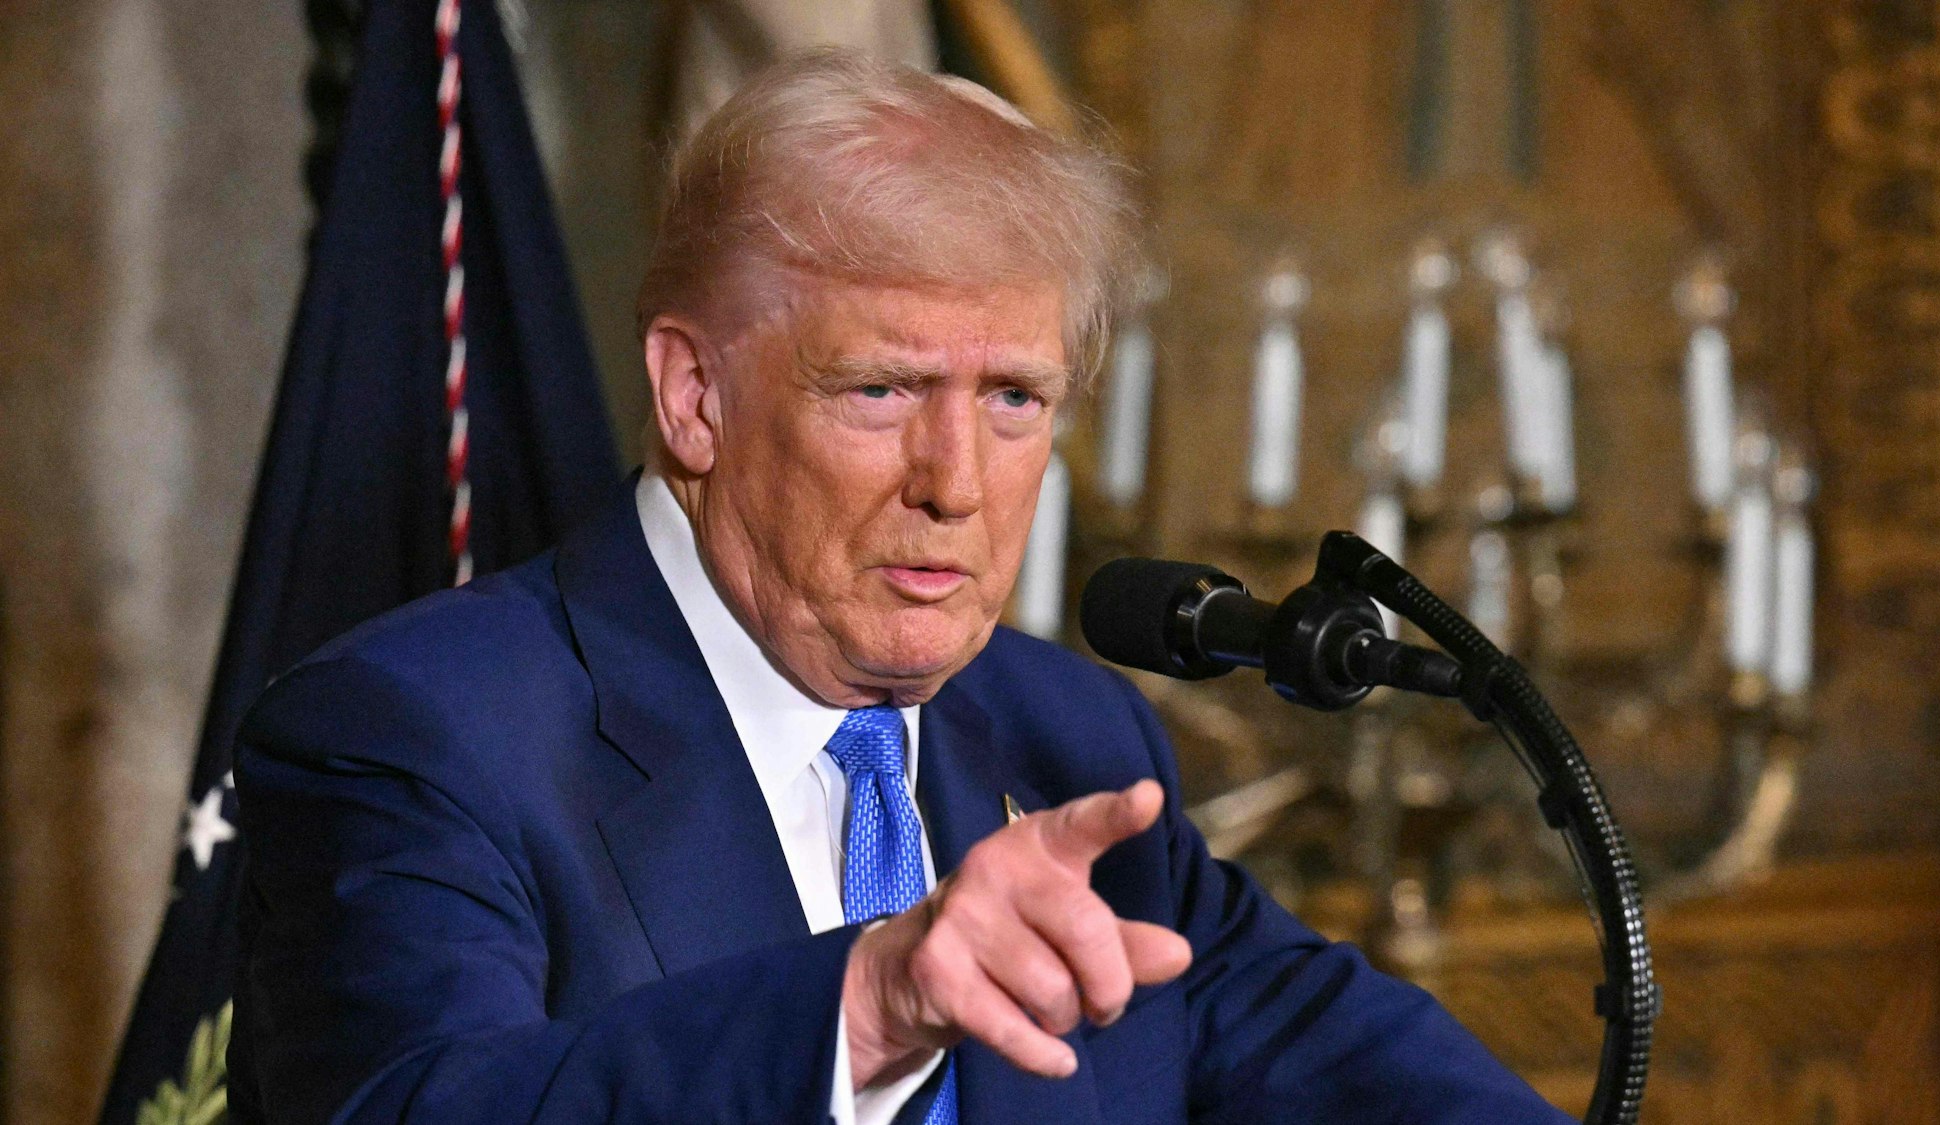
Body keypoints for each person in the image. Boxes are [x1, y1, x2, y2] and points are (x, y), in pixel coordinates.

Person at [231, 48, 1575, 1125]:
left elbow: (1301, 1034)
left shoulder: (1066, 737)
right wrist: (867, 1004)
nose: (957, 481)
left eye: (1014, 397)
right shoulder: (417, 733)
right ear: (695, 396)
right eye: (882, 390)